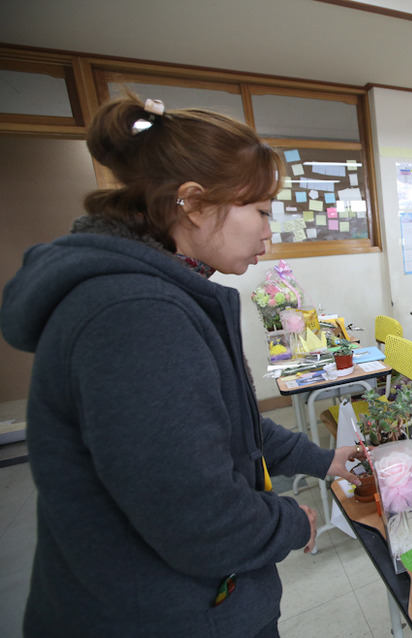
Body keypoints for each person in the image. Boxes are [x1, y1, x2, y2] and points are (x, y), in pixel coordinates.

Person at [0, 95, 367, 638]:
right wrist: (290, 520)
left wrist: (322, 460)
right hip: (156, 613)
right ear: (193, 203)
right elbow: (199, 518)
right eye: (262, 211)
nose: (271, 230)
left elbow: (231, 423)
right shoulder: (136, 315)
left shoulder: (157, 292)